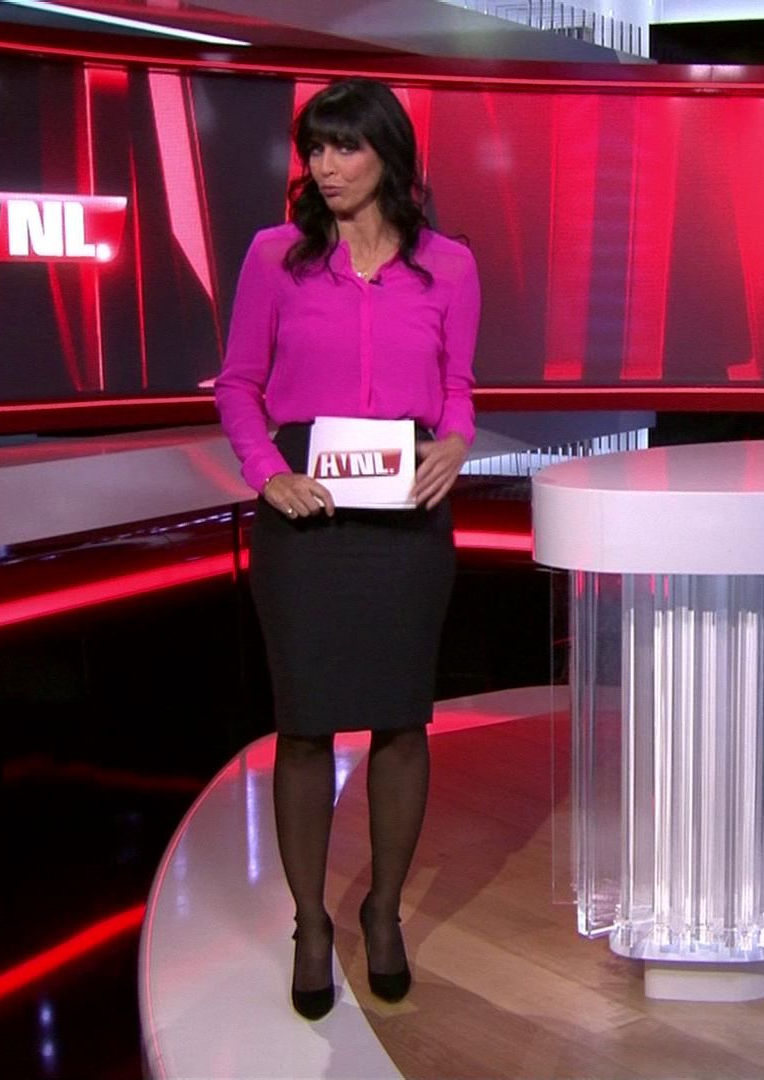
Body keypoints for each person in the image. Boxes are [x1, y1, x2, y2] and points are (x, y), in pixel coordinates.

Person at [213, 77, 479, 1019]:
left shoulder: (449, 265)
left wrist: (457, 440)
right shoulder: (273, 257)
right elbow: (238, 384)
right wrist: (265, 473)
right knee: (306, 724)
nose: (325, 167)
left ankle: (382, 912)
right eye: (315, 150)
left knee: (402, 721)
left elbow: (458, 385)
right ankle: (310, 926)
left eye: (345, 148)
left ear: (388, 156)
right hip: (306, 511)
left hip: (405, 513)